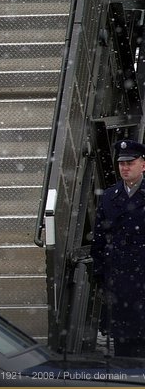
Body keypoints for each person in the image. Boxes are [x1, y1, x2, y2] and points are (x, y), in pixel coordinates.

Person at [92, 139, 145, 357]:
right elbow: (99, 241)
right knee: (124, 354)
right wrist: (102, 276)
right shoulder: (109, 197)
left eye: (130, 162)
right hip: (120, 285)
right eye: (122, 163)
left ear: (143, 164)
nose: (125, 167)